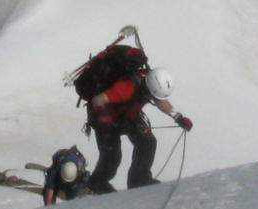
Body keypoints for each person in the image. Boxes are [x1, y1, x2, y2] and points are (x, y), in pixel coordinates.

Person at [68, 26, 192, 193]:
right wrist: (105, 121)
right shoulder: (127, 87)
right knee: (112, 158)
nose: (153, 97)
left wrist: (178, 117)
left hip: (127, 117)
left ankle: (138, 181)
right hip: (107, 120)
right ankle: (97, 184)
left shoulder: (148, 81)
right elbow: (98, 100)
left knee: (147, 143)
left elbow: (159, 100)